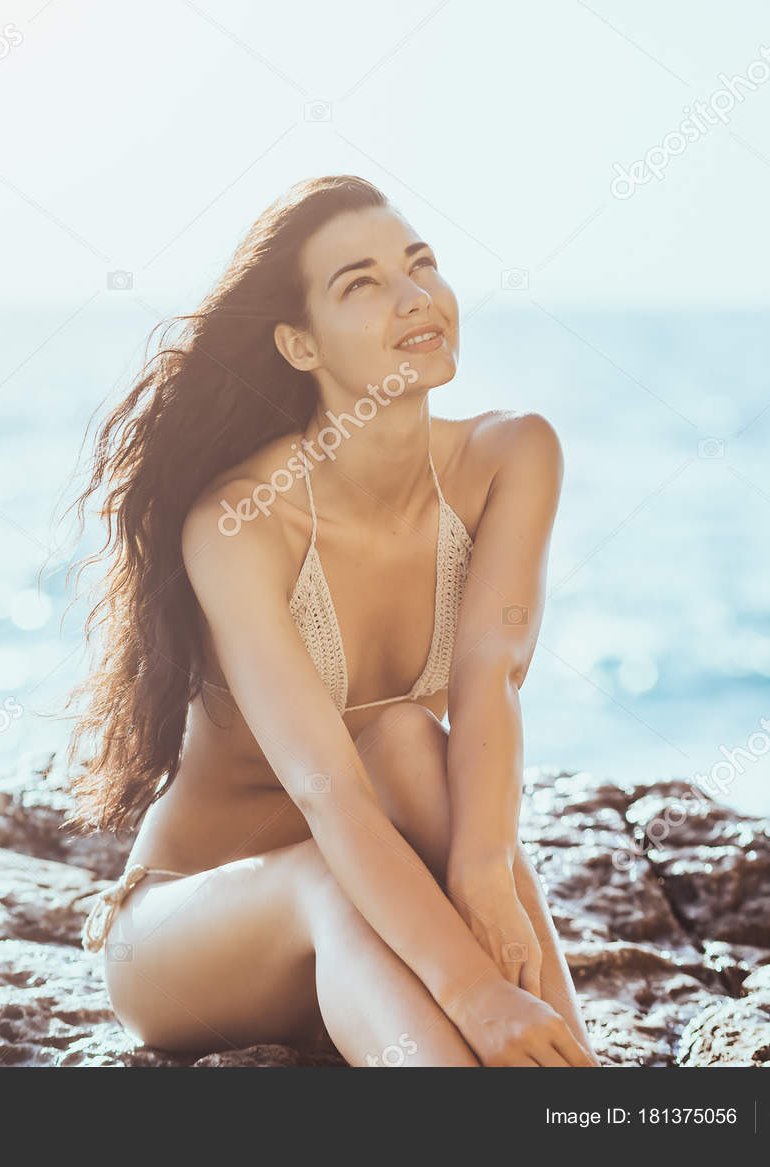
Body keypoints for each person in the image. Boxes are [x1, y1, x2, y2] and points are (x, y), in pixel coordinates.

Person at [58, 175, 597, 1067]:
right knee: (326, 879)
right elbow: (326, 794)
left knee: (408, 741)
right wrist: (474, 992)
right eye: (364, 284)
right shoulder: (243, 522)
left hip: (383, 938)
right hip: (195, 931)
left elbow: (490, 682)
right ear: (299, 344)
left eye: (420, 266)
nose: (416, 296)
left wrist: (483, 866)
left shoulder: (512, 454)